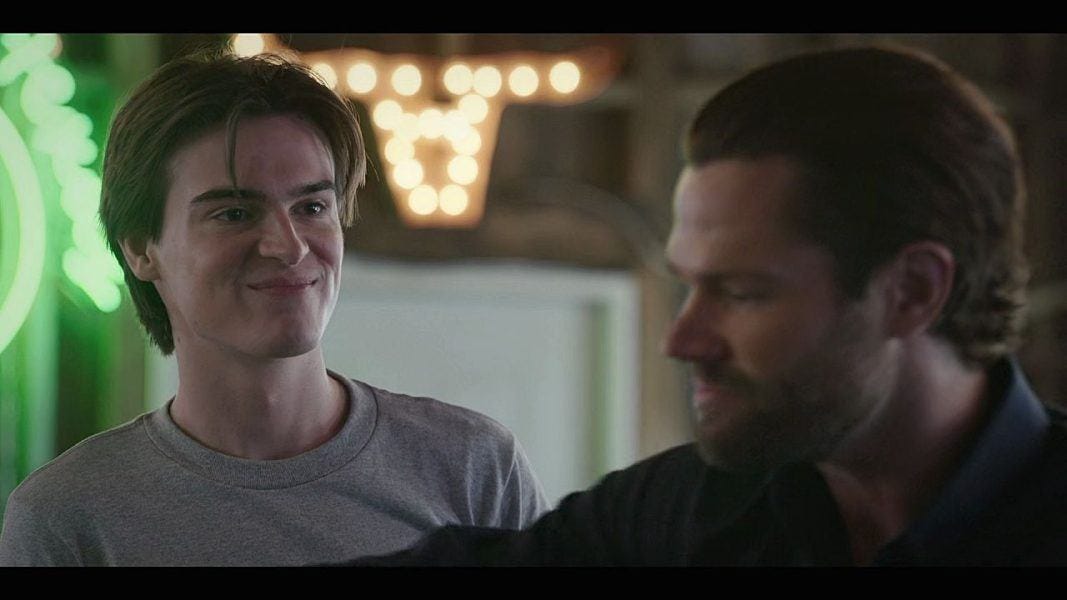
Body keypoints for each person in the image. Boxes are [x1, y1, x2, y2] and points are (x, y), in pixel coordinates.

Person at [349, 45, 1067, 566]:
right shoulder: (686, 512)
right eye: (689, 285)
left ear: (912, 291)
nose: (682, 339)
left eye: (742, 292)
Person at [0, 51, 546, 566]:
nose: (289, 246)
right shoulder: (68, 517)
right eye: (234, 213)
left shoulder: (473, 468)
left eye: (312, 207)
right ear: (142, 249)